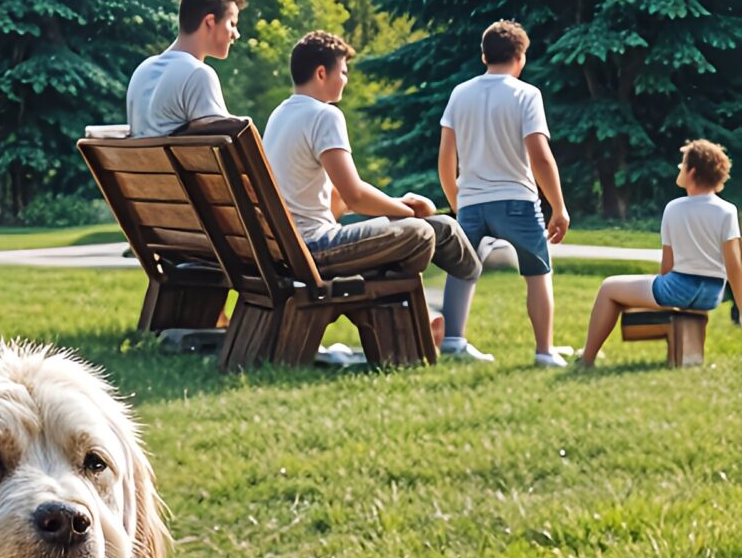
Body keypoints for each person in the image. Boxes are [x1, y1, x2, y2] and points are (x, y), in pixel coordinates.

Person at [262, 31, 481, 318]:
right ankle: (455, 292)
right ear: (321, 73)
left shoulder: (280, 114)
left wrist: (398, 204)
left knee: (436, 226)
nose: (346, 79)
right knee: (425, 230)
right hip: (314, 247)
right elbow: (354, 196)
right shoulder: (324, 115)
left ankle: (427, 310)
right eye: (343, 72)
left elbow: (338, 196)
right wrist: (408, 212)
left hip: (289, 247)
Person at [435, 20, 573, 368]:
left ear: (484, 56)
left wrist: (457, 201)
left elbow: (446, 158)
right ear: (520, 57)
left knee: (461, 268)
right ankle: (544, 351)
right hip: (517, 200)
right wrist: (558, 206)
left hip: (471, 201)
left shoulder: (459, 93)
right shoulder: (526, 94)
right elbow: (540, 156)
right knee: (537, 272)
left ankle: (453, 340)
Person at [580, 140, 742, 365]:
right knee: (661, 294)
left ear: (692, 172)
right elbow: (734, 266)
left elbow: (667, 268)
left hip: (678, 288)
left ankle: (586, 359)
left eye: (683, 164)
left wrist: (652, 293)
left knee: (608, 288)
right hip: (711, 294)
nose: (679, 168)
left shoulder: (674, 208)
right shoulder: (728, 211)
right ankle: (688, 357)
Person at [126, 0, 246, 137]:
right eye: (232, 24)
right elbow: (224, 144)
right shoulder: (198, 74)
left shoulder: (142, 71)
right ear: (210, 21)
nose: (236, 34)